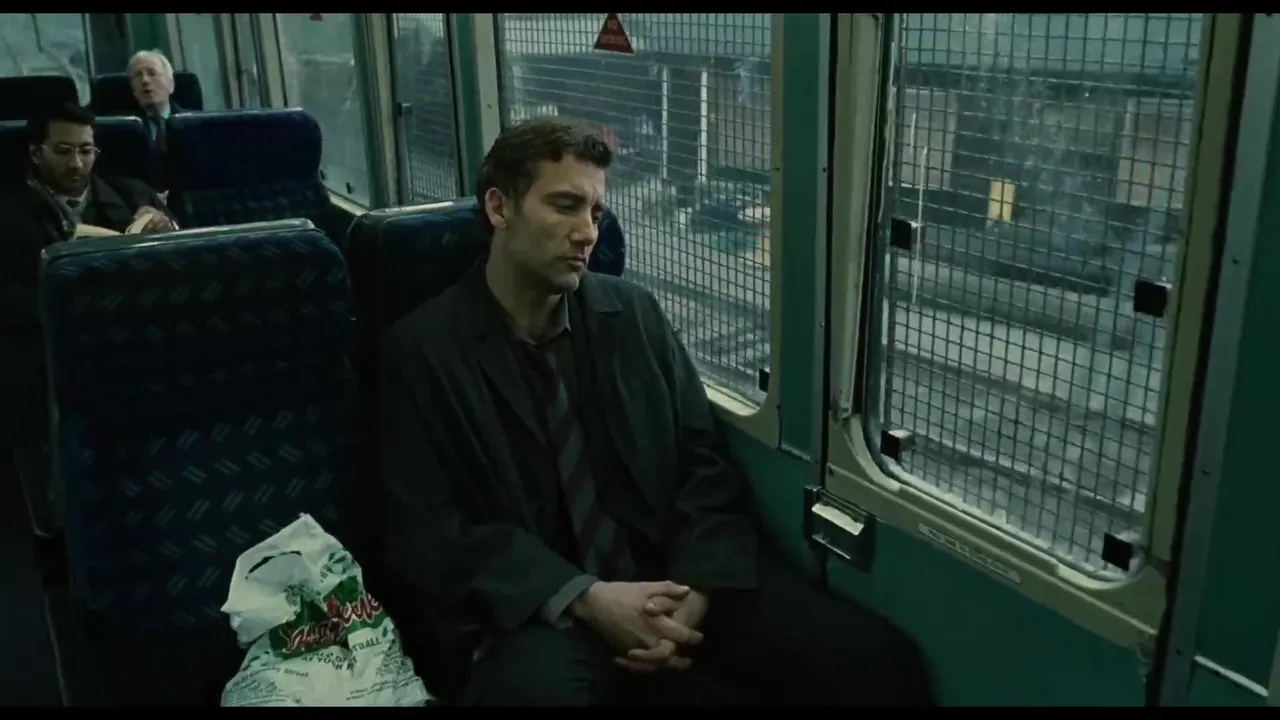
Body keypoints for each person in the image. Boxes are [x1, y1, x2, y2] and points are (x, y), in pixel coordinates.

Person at [379, 117, 935, 706]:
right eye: (565, 206)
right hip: (539, 608)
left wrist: (696, 591)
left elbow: (703, 463)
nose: (586, 233)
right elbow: (431, 529)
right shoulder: (423, 352)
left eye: (596, 213)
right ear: (499, 208)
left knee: (876, 664)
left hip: (672, 574)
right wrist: (585, 597)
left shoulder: (633, 316)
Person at [0, 102, 177, 532]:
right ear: (36, 153)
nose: (77, 163)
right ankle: (52, 526)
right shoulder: (7, 214)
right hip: (44, 350)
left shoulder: (133, 194)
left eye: (86, 150)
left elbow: (189, 269)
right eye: (63, 151)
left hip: (131, 342)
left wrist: (167, 228)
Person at [127, 49, 186, 196]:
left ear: (171, 84)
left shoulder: (193, 124)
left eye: (152, 73)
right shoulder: (124, 129)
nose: (145, 81)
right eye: (138, 75)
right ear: (132, 89)